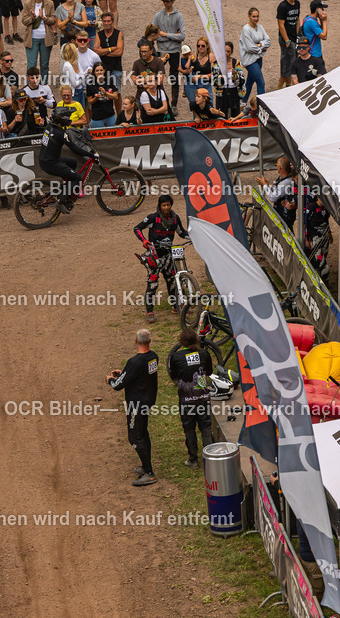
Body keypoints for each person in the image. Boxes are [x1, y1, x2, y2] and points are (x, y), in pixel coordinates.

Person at [106, 328, 158, 487]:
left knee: (134, 436)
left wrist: (109, 379)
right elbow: (140, 376)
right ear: (149, 341)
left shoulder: (135, 362)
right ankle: (145, 465)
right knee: (143, 433)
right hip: (148, 401)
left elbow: (117, 386)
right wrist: (125, 373)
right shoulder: (153, 357)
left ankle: (149, 473)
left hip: (136, 404)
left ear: (136, 341)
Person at [135, 194, 189, 321]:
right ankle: (149, 312)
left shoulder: (175, 219)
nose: (166, 207)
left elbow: (182, 233)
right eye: (163, 205)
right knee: (152, 283)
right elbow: (137, 228)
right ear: (159, 206)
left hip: (168, 256)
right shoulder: (152, 218)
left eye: (168, 205)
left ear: (171, 205)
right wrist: (144, 241)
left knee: (172, 281)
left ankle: (175, 306)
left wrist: (195, 237)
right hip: (154, 257)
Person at [168, 327, 213, 468]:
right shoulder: (204, 354)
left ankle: (193, 460)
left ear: (181, 341)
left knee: (189, 428)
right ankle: (211, 459)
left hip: (186, 400)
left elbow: (174, 376)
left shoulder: (176, 357)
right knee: (205, 426)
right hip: (203, 397)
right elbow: (210, 372)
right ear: (196, 339)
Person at [38, 106, 92, 213]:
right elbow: (75, 148)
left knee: (72, 162)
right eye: (67, 117)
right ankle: (61, 202)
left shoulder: (50, 126)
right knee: (77, 178)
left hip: (46, 159)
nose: (69, 119)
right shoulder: (60, 133)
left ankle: (67, 187)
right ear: (62, 119)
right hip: (51, 163)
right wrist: (90, 154)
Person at [153, 0, 185, 107]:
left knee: (174, 76)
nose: (165, 3)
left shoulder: (179, 16)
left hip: (174, 51)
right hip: (162, 50)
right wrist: (173, 36)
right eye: (164, 1)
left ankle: (174, 104)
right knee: (158, 75)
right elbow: (153, 35)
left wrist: (164, 34)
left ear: (173, 1)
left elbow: (182, 36)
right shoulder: (158, 16)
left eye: (167, 1)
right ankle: (159, 100)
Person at [22, 0, 57, 84]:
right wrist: (32, 18)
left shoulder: (49, 3)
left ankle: (44, 86)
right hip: (32, 38)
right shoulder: (28, 4)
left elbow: (53, 20)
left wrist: (44, 17)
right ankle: (30, 87)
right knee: (31, 65)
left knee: (44, 64)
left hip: (45, 38)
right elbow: (24, 21)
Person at [239, 7, 269, 104]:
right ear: (249, 16)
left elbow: (268, 41)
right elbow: (249, 48)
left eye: (257, 16)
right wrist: (262, 48)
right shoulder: (246, 29)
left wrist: (259, 45)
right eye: (253, 16)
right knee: (261, 82)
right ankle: (262, 105)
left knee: (250, 82)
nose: (256, 18)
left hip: (258, 59)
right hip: (250, 61)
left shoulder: (260, 27)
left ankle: (243, 102)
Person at [257, 156, 296, 228]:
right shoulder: (282, 179)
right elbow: (276, 192)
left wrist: (265, 185)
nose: (276, 167)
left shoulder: (286, 182)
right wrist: (267, 185)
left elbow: (272, 197)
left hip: (285, 216)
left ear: (280, 167)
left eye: (276, 165)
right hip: (280, 213)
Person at [275, 0, 300, 90]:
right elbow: (281, 24)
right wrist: (287, 40)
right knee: (289, 64)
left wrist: (299, 35)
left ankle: (286, 87)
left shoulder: (297, 4)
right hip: (286, 39)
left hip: (294, 38)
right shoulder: (282, 6)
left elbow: (298, 19)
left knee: (291, 63)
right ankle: (281, 88)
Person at [214, 41, 245, 118]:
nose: (226, 53)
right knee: (221, 114)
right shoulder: (216, 63)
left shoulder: (236, 62)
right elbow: (214, 81)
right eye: (224, 51)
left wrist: (234, 76)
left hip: (233, 91)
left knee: (235, 114)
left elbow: (241, 80)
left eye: (228, 51)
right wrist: (221, 78)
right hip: (222, 92)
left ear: (231, 52)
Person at [85, 63, 118, 128]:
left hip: (110, 115)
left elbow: (116, 97)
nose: (99, 72)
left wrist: (105, 93)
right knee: (97, 137)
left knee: (112, 137)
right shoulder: (90, 84)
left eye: (101, 70)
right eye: (97, 70)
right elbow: (90, 102)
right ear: (94, 72)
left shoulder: (110, 80)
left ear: (104, 70)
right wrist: (96, 98)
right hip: (97, 117)